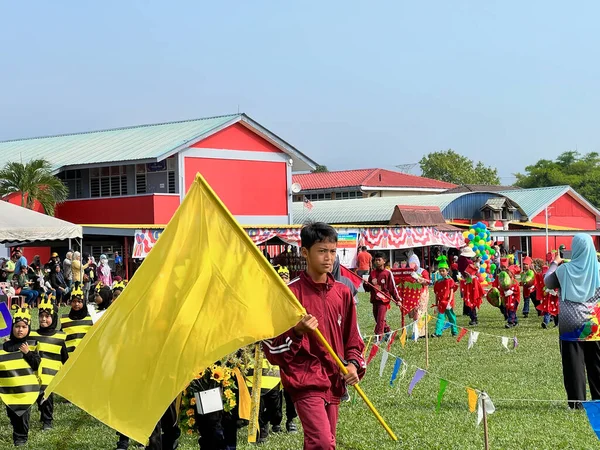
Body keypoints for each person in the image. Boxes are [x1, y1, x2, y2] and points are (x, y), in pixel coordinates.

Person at [263, 222, 365, 450]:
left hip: (334, 379)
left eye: (332, 251)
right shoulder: (290, 295)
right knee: (321, 442)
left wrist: (353, 365)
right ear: (305, 252)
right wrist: (297, 332)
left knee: (324, 442)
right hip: (305, 379)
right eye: (321, 251)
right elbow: (271, 348)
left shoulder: (343, 293)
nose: (328, 258)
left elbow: (353, 339)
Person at [544, 233, 600, 409]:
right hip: (595, 325)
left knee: (573, 365)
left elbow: (547, 282)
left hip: (570, 325)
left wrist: (555, 262)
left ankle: (576, 403)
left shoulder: (563, 271)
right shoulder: (598, 269)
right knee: (597, 363)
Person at [0, 307, 41, 446]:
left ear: (28, 328)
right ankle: (17, 431)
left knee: (22, 415)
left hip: (25, 391)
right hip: (9, 390)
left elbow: (36, 365)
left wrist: (28, 353)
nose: (20, 330)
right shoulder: (5, 346)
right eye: (17, 326)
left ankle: (21, 438)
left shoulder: (32, 346)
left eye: (24, 327)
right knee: (12, 414)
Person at [30, 295, 68, 431]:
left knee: (46, 397)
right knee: (37, 396)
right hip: (36, 374)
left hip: (51, 374)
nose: (43, 319)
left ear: (54, 318)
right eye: (41, 316)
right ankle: (43, 415)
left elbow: (65, 358)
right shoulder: (32, 335)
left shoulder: (59, 337)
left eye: (47, 316)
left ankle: (47, 421)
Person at [363, 252, 400, 339]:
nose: (377, 262)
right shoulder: (372, 273)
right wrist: (365, 284)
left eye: (379, 260)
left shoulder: (387, 273)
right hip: (374, 299)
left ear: (384, 261)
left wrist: (397, 299)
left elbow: (392, 288)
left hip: (384, 300)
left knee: (380, 320)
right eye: (375, 260)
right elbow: (369, 288)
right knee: (378, 319)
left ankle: (378, 338)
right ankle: (387, 330)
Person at [60, 284, 93, 355]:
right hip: (69, 356)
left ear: (83, 302)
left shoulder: (91, 319)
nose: (76, 304)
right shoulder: (64, 319)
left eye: (79, 302)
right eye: (74, 301)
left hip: (86, 355)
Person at [432, 257, 458, 337]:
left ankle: (454, 331)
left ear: (447, 271)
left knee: (451, 317)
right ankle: (438, 332)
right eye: (440, 271)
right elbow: (437, 294)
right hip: (441, 303)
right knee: (440, 318)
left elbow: (451, 292)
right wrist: (436, 304)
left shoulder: (450, 281)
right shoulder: (438, 282)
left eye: (443, 271)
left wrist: (449, 302)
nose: (442, 272)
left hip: (448, 303)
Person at [458, 247, 483, 326]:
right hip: (472, 282)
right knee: (473, 298)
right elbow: (475, 271)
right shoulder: (468, 262)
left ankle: (471, 316)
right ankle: (474, 318)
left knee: (467, 298)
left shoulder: (460, 260)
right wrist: (477, 262)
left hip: (464, 281)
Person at [407, 254, 431, 336]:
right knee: (414, 313)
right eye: (411, 263)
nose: (413, 265)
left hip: (422, 294)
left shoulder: (423, 271)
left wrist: (418, 278)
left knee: (421, 311)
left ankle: (423, 332)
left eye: (414, 263)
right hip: (413, 294)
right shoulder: (409, 272)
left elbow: (428, 282)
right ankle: (415, 331)